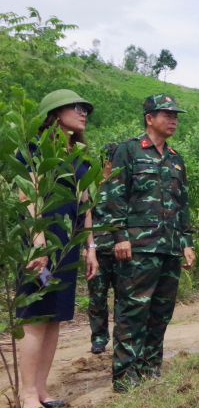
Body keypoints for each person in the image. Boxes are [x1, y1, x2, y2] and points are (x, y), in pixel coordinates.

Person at [16, 89, 99, 408]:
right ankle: (26, 394)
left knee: (55, 317)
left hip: (66, 248)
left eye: (86, 109)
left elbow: (85, 203)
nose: (84, 113)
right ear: (54, 111)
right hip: (42, 246)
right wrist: (38, 243)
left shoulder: (77, 153)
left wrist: (90, 246)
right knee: (36, 316)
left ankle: (41, 388)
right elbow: (28, 193)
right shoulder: (35, 148)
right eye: (77, 108)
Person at [107, 94, 196, 392]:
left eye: (176, 115)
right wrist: (120, 236)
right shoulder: (128, 151)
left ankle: (149, 368)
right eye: (167, 114)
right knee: (132, 311)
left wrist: (187, 241)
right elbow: (115, 195)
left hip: (169, 247)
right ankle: (124, 375)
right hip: (139, 245)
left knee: (161, 311)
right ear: (149, 118)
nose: (173, 120)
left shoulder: (175, 159)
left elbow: (182, 204)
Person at [88, 143, 120, 354]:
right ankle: (99, 338)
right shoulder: (93, 186)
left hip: (122, 250)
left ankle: (122, 337)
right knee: (97, 299)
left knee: (124, 298)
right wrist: (86, 247)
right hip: (98, 250)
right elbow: (84, 218)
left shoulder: (124, 185)